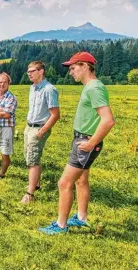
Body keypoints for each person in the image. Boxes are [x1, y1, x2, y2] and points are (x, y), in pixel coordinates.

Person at [39, 52, 115, 235]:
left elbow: (108, 120)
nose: (70, 72)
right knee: (81, 180)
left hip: (86, 142)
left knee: (64, 183)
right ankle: (81, 218)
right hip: (83, 139)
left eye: (73, 68)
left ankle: (61, 225)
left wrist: (91, 144)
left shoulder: (94, 88)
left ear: (85, 66)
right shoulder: (91, 86)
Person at [21, 61, 60, 203]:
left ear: (41, 71)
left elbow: (55, 114)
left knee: (32, 161)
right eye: (28, 71)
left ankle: (29, 194)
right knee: (30, 157)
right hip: (29, 127)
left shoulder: (49, 89)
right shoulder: (33, 88)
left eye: (32, 71)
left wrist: (43, 130)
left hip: (39, 128)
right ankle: (36, 183)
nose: (29, 74)